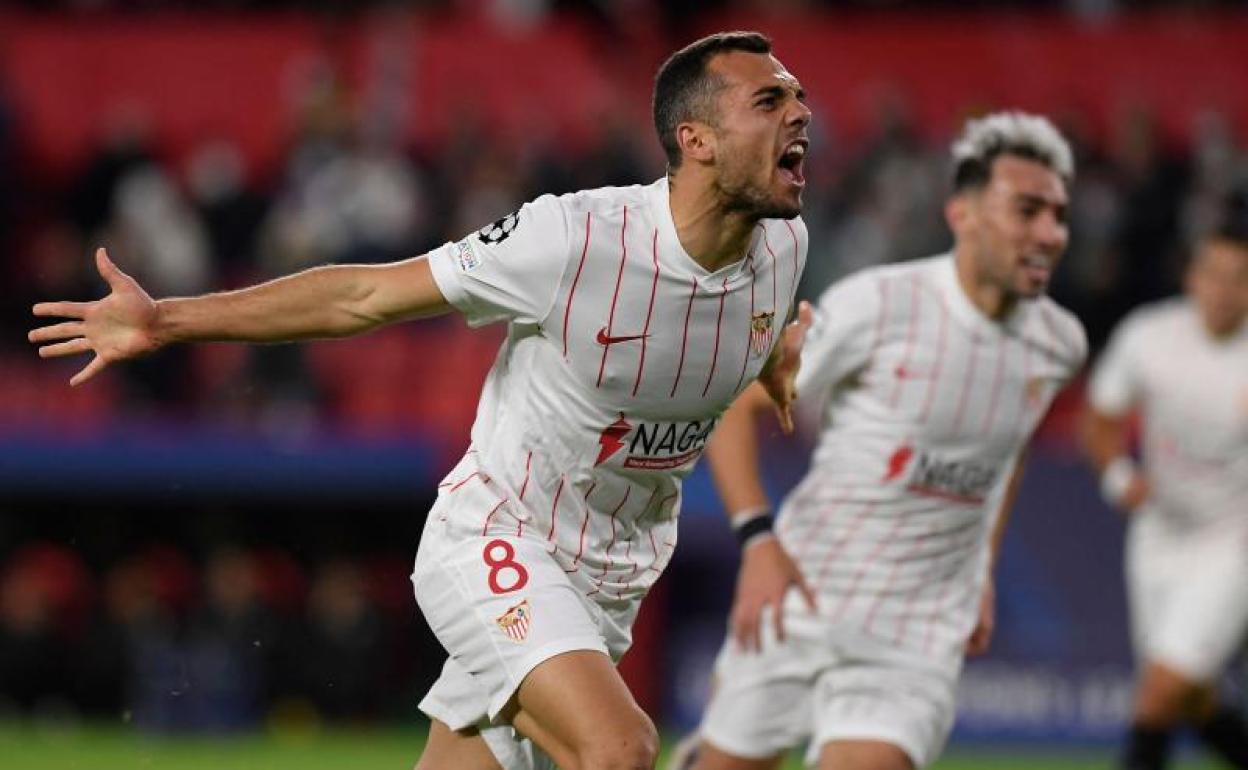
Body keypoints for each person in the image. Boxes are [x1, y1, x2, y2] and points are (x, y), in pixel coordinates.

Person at [29, 31, 813, 770]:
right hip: (498, 537)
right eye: (769, 101)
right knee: (617, 749)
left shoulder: (784, 247)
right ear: (696, 140)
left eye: (798, 96)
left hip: (611, 577)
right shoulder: (575, 240)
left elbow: (739, 326)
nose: (801, 112)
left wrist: (771, 364)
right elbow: (365, 295)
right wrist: (167, 321)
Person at [673, 112, 1087, 770]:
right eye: (1027, 211)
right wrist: (757, 542)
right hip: (802, 594)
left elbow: (1010, 448)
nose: (1049, 234)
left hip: (916, 632)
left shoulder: (1058, 343)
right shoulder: (879, 305)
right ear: (964, 215)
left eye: (1058, 216)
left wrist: (981, 569)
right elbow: (732, 404)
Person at [1082, 215, 1248, 770]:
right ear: (1192, 276)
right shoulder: (1148, 335)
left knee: (1159, 690)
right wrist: (1119, 477)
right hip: (1157, 537)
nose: (1225, 290)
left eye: (1240, 278)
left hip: (1232, 541)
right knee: (1190, 699)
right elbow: (1101, 418)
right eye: (1215, 274)